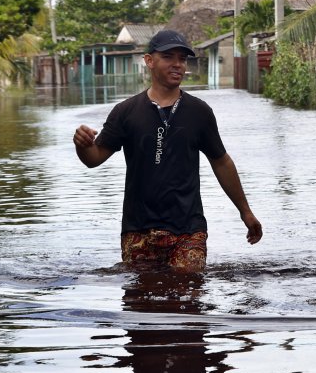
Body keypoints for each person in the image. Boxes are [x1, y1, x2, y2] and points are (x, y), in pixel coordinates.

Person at [73, 29, 262, 272]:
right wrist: (82, 146)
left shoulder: (199, 112)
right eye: (168, 57)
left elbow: (221, 161)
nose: (177, 65)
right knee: (142, 302)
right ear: (149, 61)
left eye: (182, 59)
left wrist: (245, 211)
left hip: (188, 229)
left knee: (189, 294)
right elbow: (93, 159)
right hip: (138, 228)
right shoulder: (126, 112)